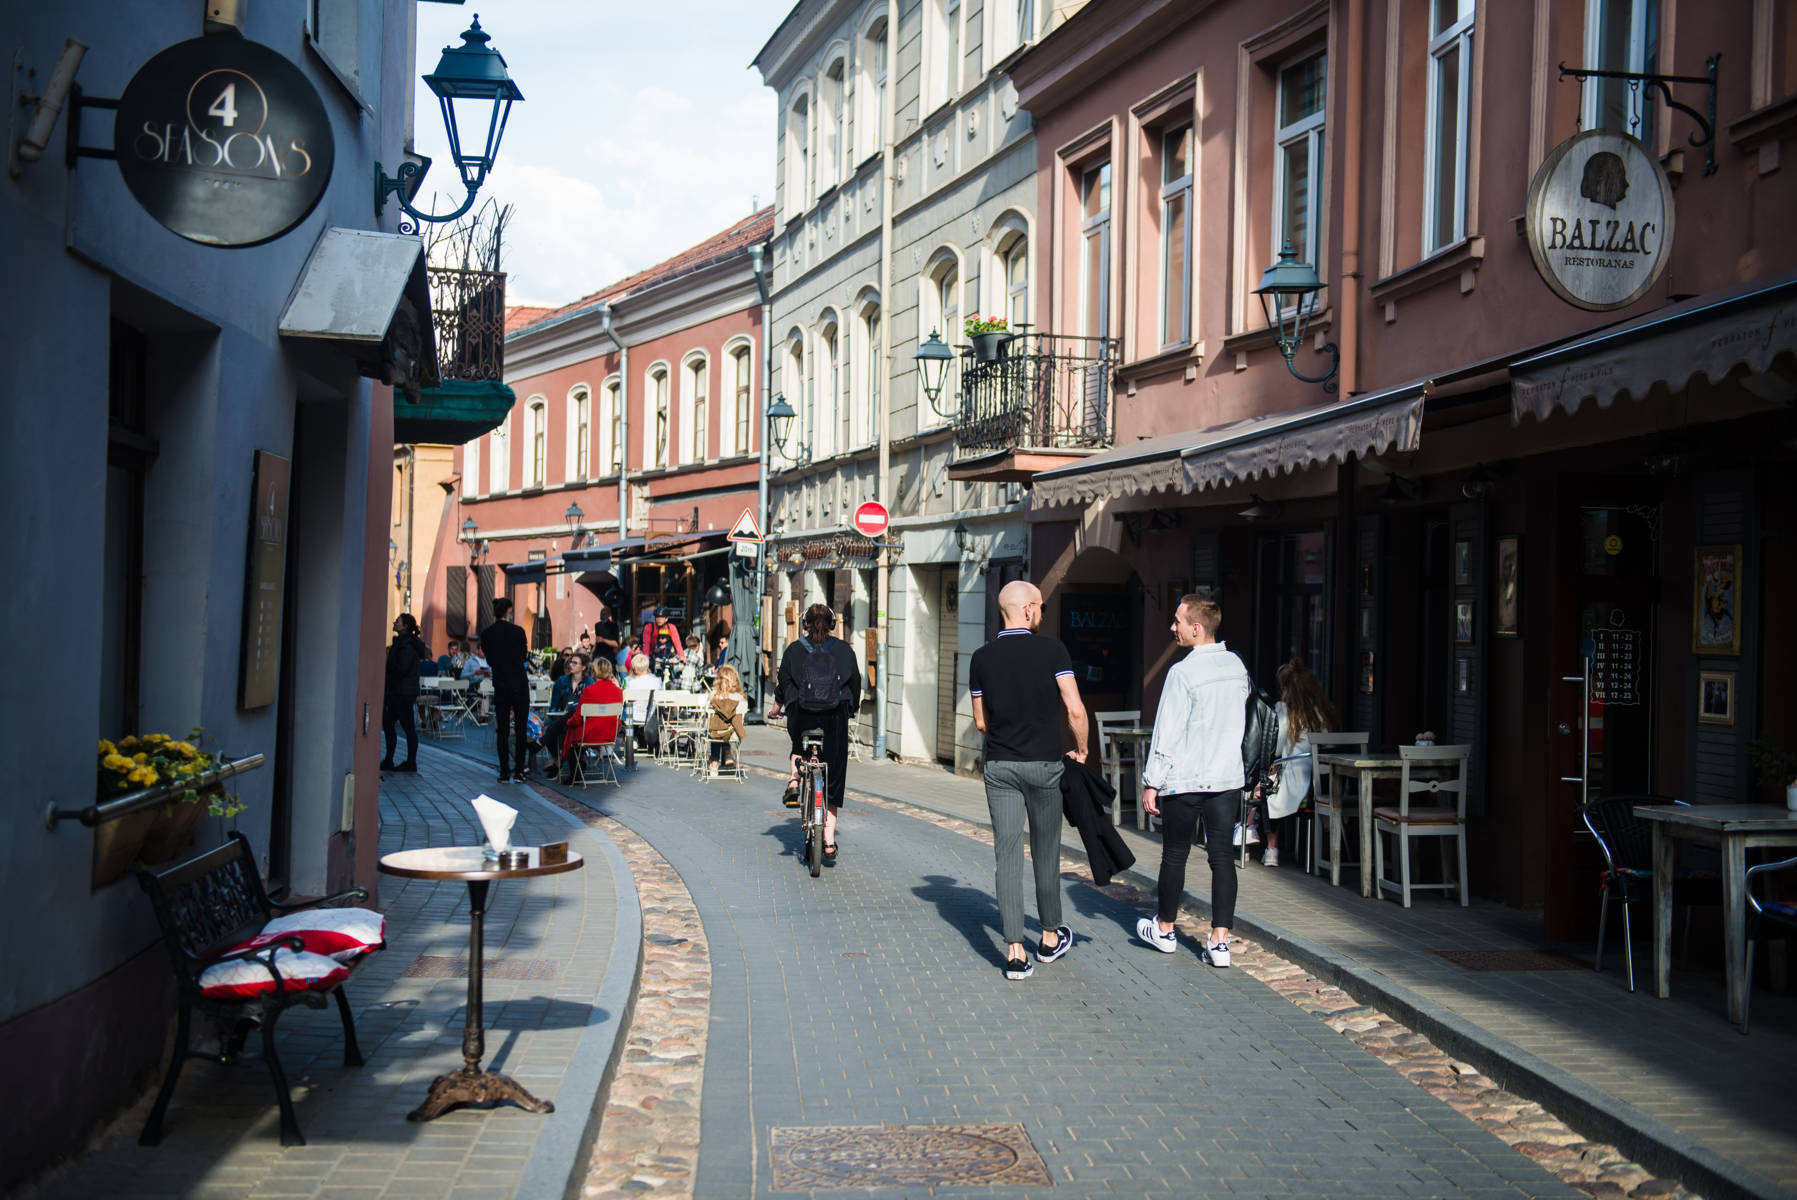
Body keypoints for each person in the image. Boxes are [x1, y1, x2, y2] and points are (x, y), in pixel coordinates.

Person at [968, 580, 1089, 981]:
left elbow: (981, 720)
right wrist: (1082, 749)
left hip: (1001, 767)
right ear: (1027, 609)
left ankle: (1015, 952)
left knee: (1006, 854)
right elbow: (1074, 708)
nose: (1042, 613)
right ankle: (1050, 938)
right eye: (1040, 607)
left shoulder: (981, 658)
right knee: (1045, 850)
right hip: (1044, 766)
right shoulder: (1053, 650)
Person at [1137, 594, 1250, 968]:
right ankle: (1220, 942)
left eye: (1178, 621)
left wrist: (1152, 780)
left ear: (1196, 628)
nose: (1173, 627)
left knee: (1175, 854)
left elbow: (1166, 733)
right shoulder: (1237, 667)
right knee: (1222, 857)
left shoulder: (1182, 673)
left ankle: (1166, 929)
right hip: (1225, 777)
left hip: (1184, 778)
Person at [772, 603, 862, 862]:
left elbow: (783, 682)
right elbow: (855, 682)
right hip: (835, 717)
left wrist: (780, 707)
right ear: (832, 624)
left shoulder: (794, 650)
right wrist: (851, 708)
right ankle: (830, 841)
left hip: (802, 714)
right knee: (833, 773)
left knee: (798, 745)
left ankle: (793, 779)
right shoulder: (844, 651)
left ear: (805, 624)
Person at [1256, 658, 1338, 868]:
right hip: (1323, 778)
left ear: (1285, 688)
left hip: (1296, 775)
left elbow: (1276, 745)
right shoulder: (1322, 711)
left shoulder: (1285, 712)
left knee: (1268, 790)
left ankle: (1271, 848)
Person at [480, 597, 532, 784]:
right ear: (509, 611)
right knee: (520, 728)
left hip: (500, 683)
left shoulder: (487, 634)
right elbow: (523, 655)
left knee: (502, 729)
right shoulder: (518, 631)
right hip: (518, 683)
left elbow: (490, 660)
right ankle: (519, 770)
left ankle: (503, 771)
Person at [381, 613, 431, 773]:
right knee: (391, 724)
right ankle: (391, 760)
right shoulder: (404, 643)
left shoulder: (406, 645)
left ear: (405, 626)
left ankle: (409, 762)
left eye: (398, 621)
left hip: (402, 692)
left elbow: (401, 669)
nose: (394, 622)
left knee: (406, 726)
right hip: (401, 691)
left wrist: (388, 683)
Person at [560, 658, 625, 782]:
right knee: (572, 729)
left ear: (594, 672)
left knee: (568, 730)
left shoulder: (590, 690)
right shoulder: (618, 691)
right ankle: (579, 765)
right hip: (609, 734)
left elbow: (578, 718)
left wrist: (568, 722)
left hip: (591, 733)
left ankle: (575, 771)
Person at [707, 664, 747, 774]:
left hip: (716, 733)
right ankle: (727, 752)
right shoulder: (740, 697)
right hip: (734, 733)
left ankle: (714, 762)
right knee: (726, 726)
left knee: (715, 726)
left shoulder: (713, 696)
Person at [622, 651, 658, 747]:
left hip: (634, 715)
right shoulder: (656, 681)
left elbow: (624, 699)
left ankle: (633, 739)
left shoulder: (631, 682)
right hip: (651, 715)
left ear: (636, 669)